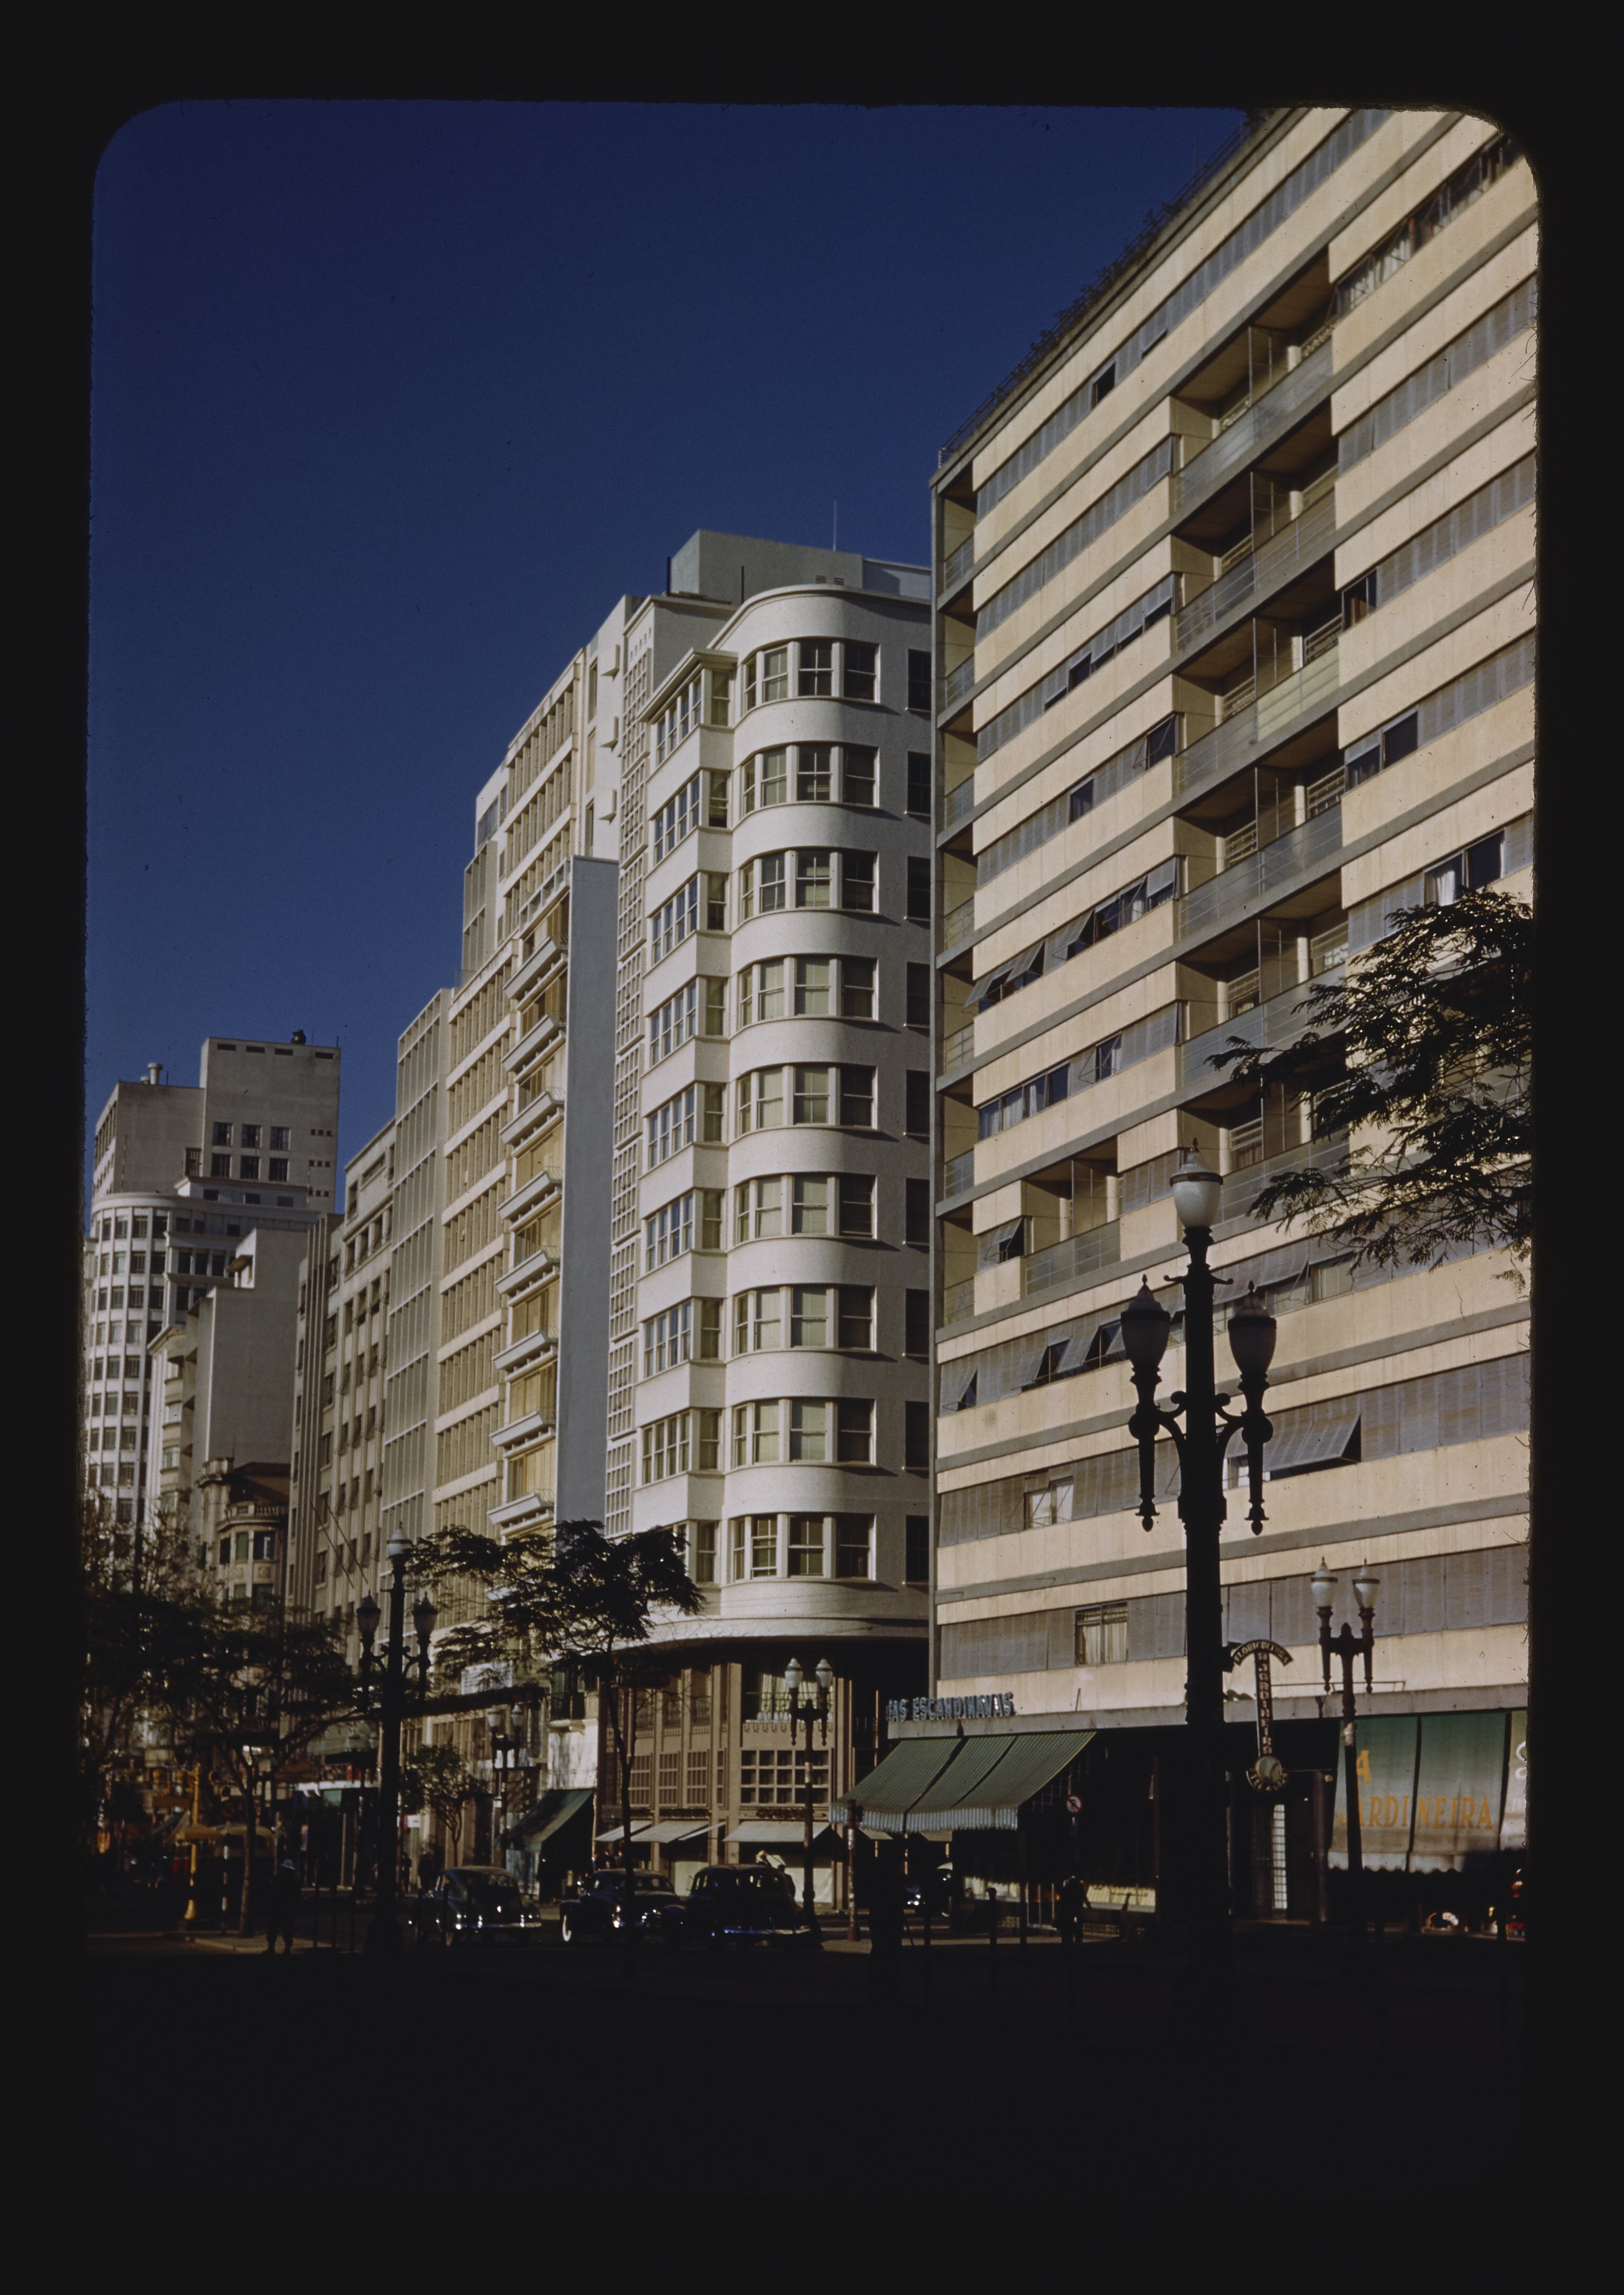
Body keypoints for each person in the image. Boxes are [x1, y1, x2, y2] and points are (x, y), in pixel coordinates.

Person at [264, 1858, 303, 1955]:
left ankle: (271, 1948)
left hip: (277, 1906)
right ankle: (287, 1948)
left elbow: (272, 1889)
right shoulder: (295, 1880)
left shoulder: (278, 1878)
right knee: (288, 1928)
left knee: (273, 1927)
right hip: (289, 1907)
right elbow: (298, 1894)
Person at [1058, 1873, 1086, 1948]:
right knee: (1078, 1928)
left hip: (1068, 1912)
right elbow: (1083, 1898)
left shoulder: (1066, 1890)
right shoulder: (1079, 1889)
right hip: (1077, 1911)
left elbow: (1062, 1901)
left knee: (1068, 1930)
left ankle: (1068, 1943)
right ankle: (1078, 1941)